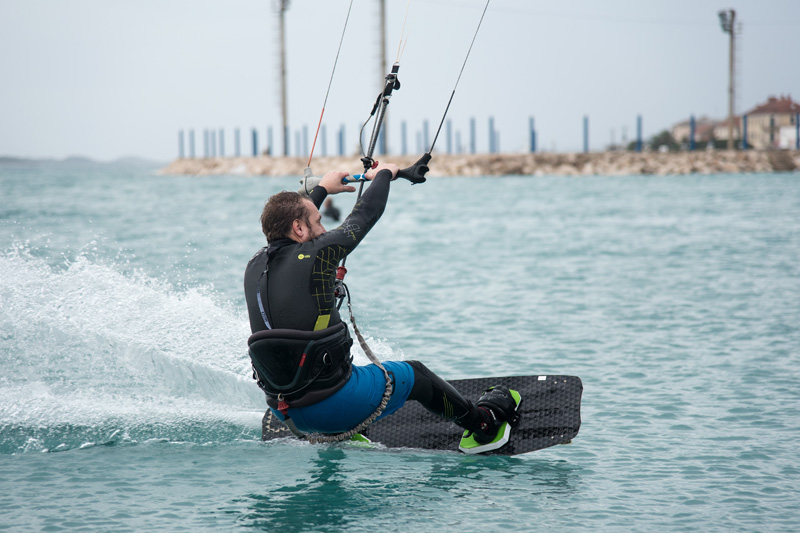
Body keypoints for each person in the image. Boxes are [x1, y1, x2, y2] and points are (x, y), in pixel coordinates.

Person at [244, 163, 518, 450]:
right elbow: (364, 215)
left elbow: (287, 223)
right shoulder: (319, 253)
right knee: (416, 375)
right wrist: (386, 173)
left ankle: (344, 432)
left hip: (285, 412)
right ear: (299, 228)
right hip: (331, 405)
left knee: (334, 367)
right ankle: (483, 426)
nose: (324, 229)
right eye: (318, 220)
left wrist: (323, 187)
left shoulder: (254, 265)